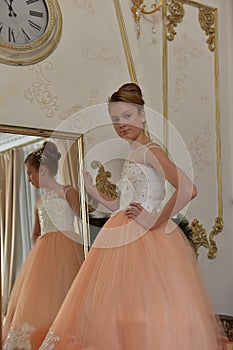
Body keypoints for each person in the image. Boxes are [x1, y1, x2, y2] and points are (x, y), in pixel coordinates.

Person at [39, 83, 225, 349]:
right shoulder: (135, 152)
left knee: (143, 317)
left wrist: (153, 220)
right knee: (121, 318)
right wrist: (92, 190)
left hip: (144, 242)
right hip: (122, 236)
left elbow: (187, 189)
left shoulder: (150, 150)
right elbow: (122, 205)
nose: (121, 124)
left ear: (142, 115)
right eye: (115, 119)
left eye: (127, 116)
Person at [2, 141, 84, 350]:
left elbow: (82, 221)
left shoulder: (68, 192)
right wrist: (42, 247)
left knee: (66, 292)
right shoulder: (39, 202)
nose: (29, 179)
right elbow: (34, 235)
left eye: (30, 173)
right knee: (43, 297)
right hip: (44, 254)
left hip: (68, 248)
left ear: (43, 170)